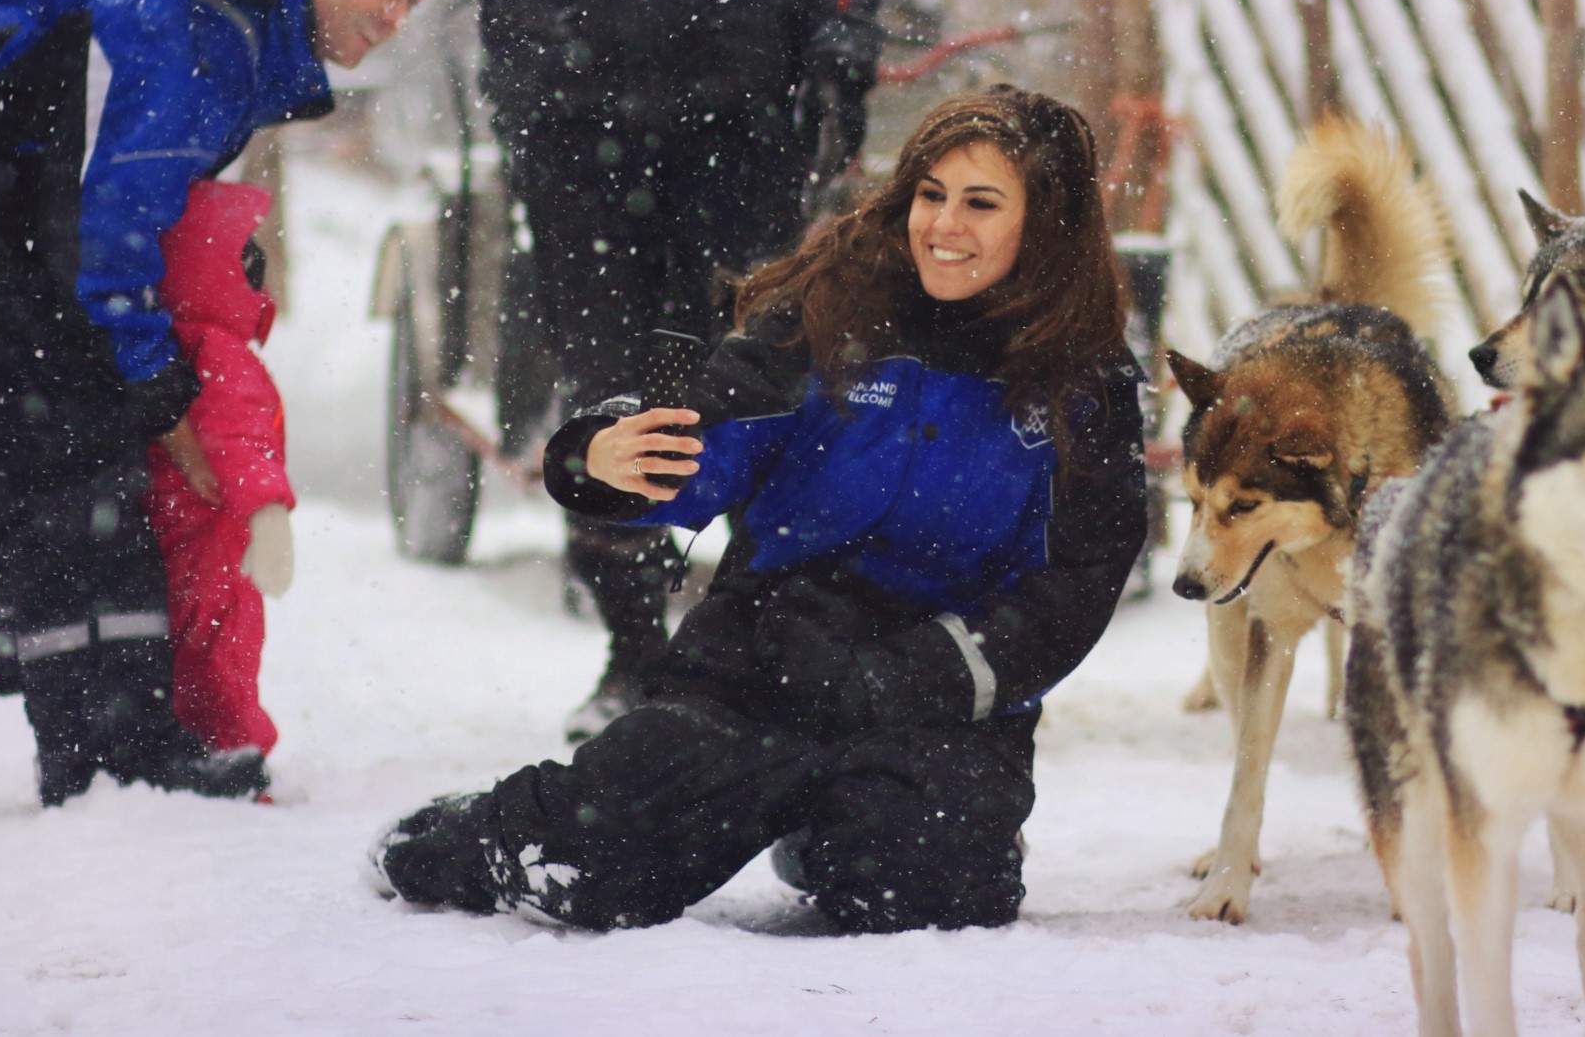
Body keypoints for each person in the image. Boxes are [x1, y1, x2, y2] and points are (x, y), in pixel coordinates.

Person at [368, 85, 1147, 934]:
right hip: (769, 659)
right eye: (931, 193)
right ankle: (455, 835)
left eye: (982, 203)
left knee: (926, 894)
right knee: (589, 862)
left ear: (1046, 224)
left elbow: (1078, 580)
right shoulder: (832, 308)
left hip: (939, 691)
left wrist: (921, 672)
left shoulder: (1086, 383)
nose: (944, 225)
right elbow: (706, 429)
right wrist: (603, 455)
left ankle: (829, 822)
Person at [382, 0, 887, 738]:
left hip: (742, 108)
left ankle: (755, 638)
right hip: (570, 111)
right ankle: (634, 646)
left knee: (746, 366)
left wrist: (843, 48)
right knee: (606, 368)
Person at [0, 0, 452, 806]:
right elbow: (107, 224)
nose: (397, 13)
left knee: (70, 445)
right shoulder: (205, 24)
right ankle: (107, 756)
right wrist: (157, 385)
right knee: (78, 449)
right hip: (1, 238)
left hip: (3, 230)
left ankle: (92, 701)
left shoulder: (235, 22)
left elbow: (127, 193)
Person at [144, 181, 296, 775]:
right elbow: (241, 439)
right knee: (222, 653)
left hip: (174, 537)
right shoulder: (219, 352)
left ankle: (191, 745)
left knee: (183, 653)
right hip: (215, 545)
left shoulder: (168, 347)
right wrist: (269, 513)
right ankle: (236, 751)